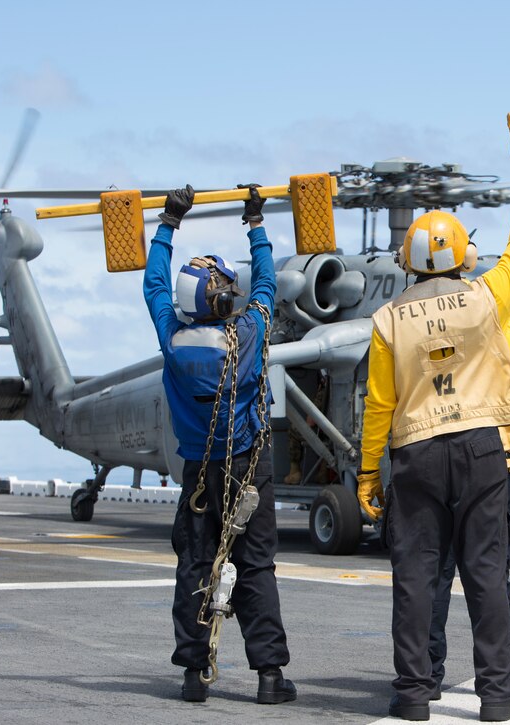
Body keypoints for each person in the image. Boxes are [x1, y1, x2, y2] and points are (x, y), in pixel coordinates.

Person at [357, 113, 510, 723]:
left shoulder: (387, 320)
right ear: (464, 255)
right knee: (486, 573)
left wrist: (367, 473)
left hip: (416, 455)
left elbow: (379, 404)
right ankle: (497, 694)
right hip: (483, 450)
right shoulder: (488, 296)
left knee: (415, 578)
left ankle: (413, 694)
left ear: (407, 261)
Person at [143, 183, 297, 705]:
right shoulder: (248, 334)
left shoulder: (172, 338)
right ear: (224, 298)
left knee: (195, 562)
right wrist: (256, 224)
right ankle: (269, 676)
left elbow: (154, 287)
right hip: (248, 467)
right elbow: (267, 285)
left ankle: (194, 673)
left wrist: (168, 222)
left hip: (197, 472)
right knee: (255, 565)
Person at [428, 297, 510, 699]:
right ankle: (509, 674)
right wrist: (481, 284)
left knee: (432, 580)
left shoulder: (420, 341)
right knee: (492, 579)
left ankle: (427, 676)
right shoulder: (495, 343)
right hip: (491, 468)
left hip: (432, 463)